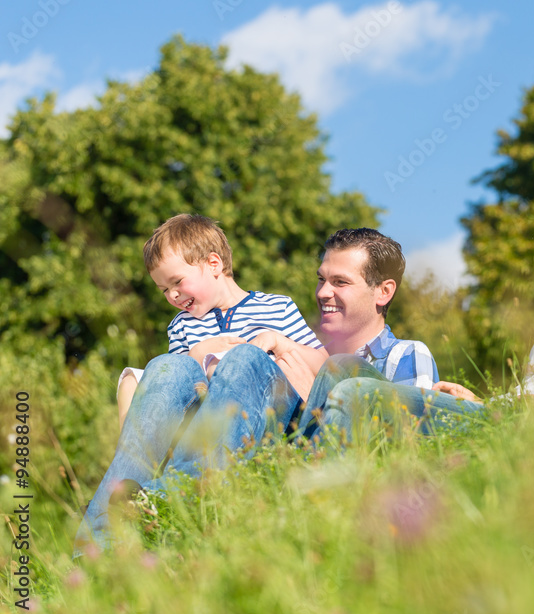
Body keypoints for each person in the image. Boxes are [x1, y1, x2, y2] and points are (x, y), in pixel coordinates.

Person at [75, 228, 437, 553]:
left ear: (383, 291)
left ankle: (176, 495)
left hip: (287, 436)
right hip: (216, 428)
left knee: (246, 358)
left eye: (339, 282)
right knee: (162, 367)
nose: (322, 292)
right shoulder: (183, 326)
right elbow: (167, 385)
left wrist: (280, 350)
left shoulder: (401, 354)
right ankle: (96, 543)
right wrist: (156, 373)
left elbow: (415, 438)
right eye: (321, 280)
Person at [309, 196, 534, 444]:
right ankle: (292, 466)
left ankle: (314, 491)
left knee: (360, 392)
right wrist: (477, 400)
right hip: (491, 416)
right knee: (341, 366)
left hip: (517, 432)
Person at [115, 214, 324, 428]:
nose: (172, 295)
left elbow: (326, 366)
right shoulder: (181, 325)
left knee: (228, 365)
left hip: (273, 410)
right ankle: (134, 450)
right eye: (164, 290)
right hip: (209, 417)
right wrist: (196, 355)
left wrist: (280, 342)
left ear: (214, 264)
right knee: (131, 381)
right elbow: (174, 388)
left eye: (177, 282)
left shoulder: (276, 307)